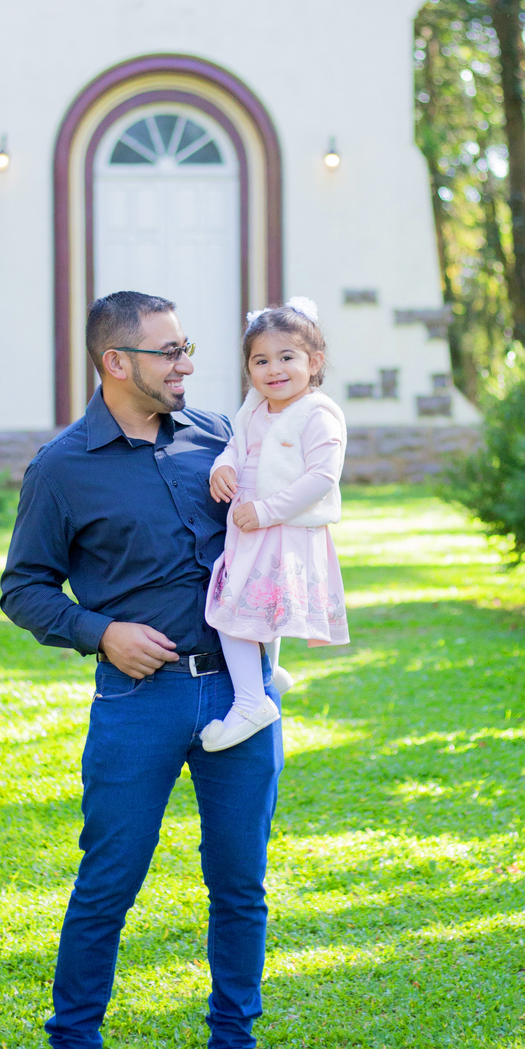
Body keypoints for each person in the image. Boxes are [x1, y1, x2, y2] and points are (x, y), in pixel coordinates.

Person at [0, 290, 284, 1049]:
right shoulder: (61, 467)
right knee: (107, 883)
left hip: (242, 695)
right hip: (137, 701)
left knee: (240, 883)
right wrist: (100, 632)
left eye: (187, 347)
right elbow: (23, 589)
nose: (187, 365)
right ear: (116, 362)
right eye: (169, 352)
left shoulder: (219, 441)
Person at [202, 300, 349, 751]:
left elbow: (322, 478)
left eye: (287, 357)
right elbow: (236, 446)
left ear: (314, 362)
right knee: (256, 604)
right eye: (261, 360)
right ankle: (269, 673)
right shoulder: (254, 407)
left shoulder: (317, 414)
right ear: (248, 369)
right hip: (251, 529)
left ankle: (251, 700)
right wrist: (220, 468)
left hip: (281, 530)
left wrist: (266, 511)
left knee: (232, 610)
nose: (274, 369)